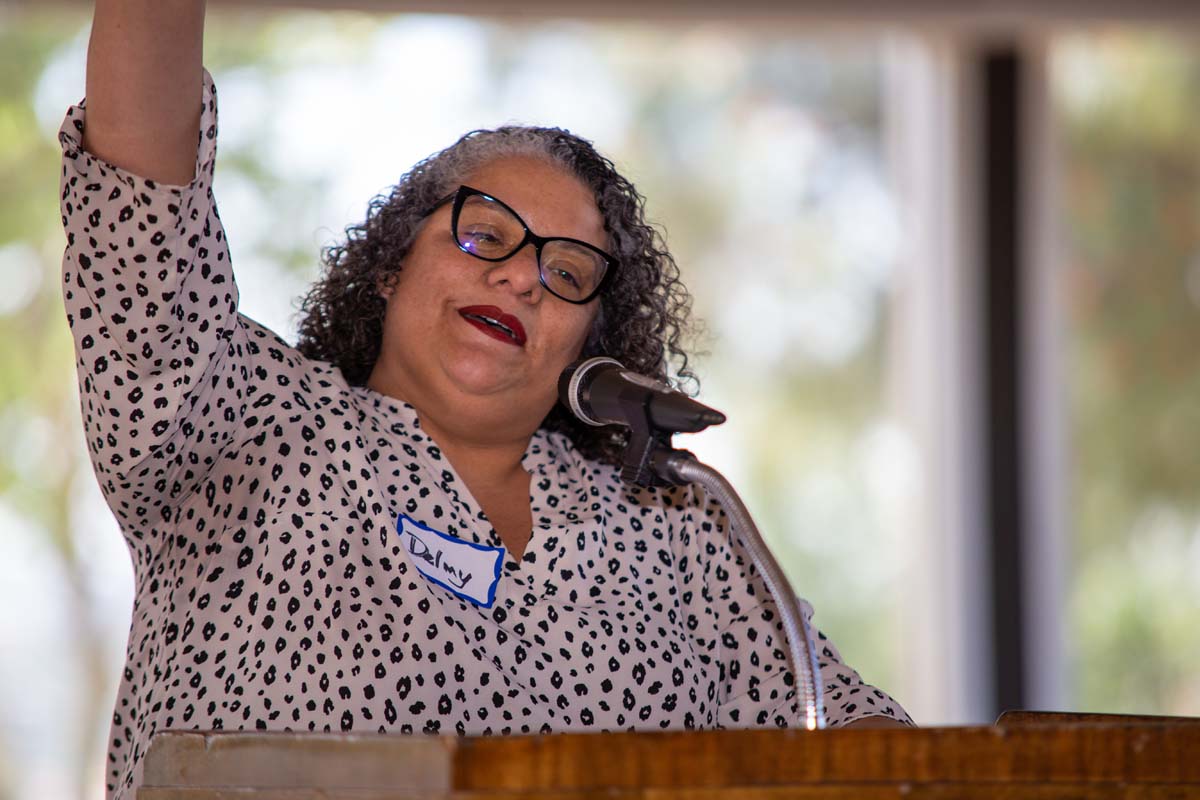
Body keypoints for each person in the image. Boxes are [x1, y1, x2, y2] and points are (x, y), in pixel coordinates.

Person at [62, 2, 912, 798]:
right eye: (487, 236)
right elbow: (138, 207)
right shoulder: (251, 419)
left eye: (569, 274)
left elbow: (857, 738)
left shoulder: (678, 524)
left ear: (587, 342)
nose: (521, 278)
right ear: (393, 263)